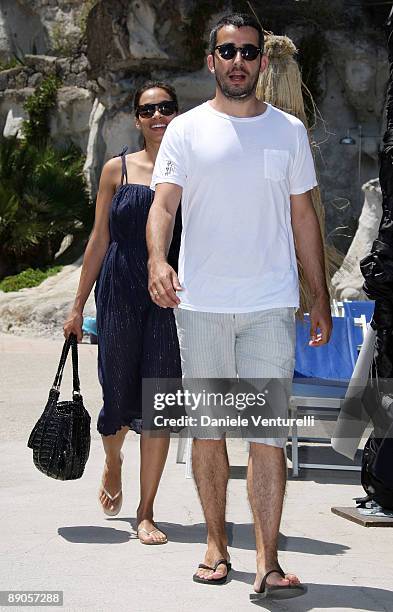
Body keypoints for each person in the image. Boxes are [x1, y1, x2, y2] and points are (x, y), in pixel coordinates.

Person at [146, 12, 332, 599]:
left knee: (266, 434)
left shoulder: (288, 132)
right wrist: (157, 260)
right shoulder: (185, 131)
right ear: (211, 60)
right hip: (199, 305)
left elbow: (304, 217)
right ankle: (215, 545)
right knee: (207, 431)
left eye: (249, 52)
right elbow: (165, 206)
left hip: (270, 306)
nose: (238, 61)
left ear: (262, 61)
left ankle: (268, 563)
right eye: (228, 52)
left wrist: (318, 295)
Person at [63, 81, 181, 545]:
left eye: (166, 108)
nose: (157, 116)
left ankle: (146, 511)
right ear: (136, 118)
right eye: (148, 110)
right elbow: (98, 240)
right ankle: (113, 461)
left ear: (177, 113)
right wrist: (76, 307)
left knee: (161, 402)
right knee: (117, 393)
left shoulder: (191, 170)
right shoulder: (118, 170)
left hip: (171, 299)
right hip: (119, 293)